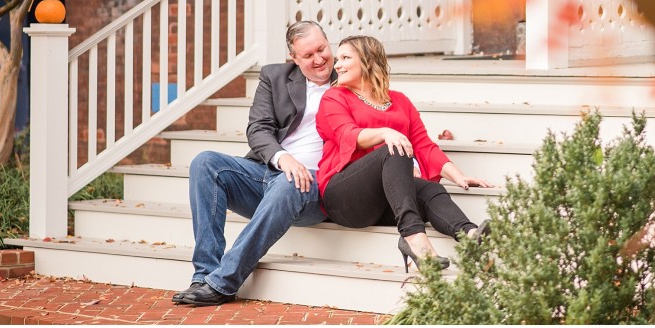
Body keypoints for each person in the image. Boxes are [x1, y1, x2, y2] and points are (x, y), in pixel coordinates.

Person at [173, 21, 335, 306]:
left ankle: (223, 283)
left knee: (289, 182)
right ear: (294, 59)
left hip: (314, 187)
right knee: (205, 163)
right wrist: (283, 158)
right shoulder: (275, 77)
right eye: (308, 56)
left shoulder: (349, 78)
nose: (319, 59)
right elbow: (258, 129)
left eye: (322, 49)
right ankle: (204, 275)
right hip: (269, 173)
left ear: (329, 43)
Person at [316, 35, 494, 272]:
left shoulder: (399, 101)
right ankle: (414, 238)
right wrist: (385, 133)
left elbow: (423, 144)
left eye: (345, 58)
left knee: (432, 189)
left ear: (368, 60)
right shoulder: (334, 98)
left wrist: (458, 176)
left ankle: (470, 236)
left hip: (385, 201)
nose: (337, 65)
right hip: (344, 198)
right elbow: (347, 135)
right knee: (395, 149)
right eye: (337, 59)